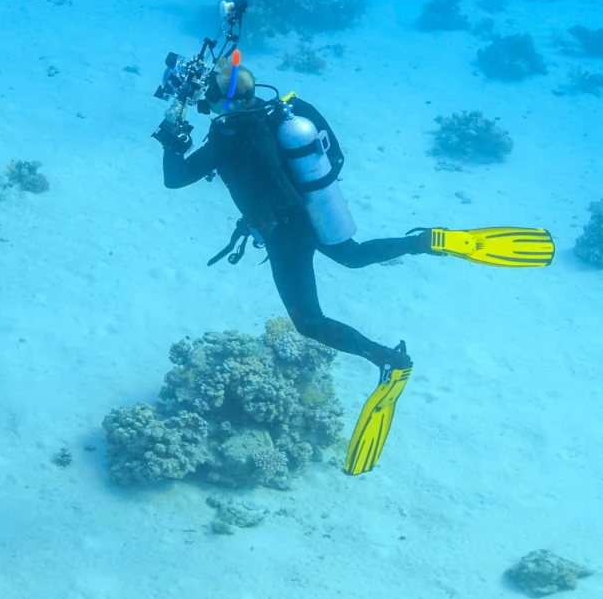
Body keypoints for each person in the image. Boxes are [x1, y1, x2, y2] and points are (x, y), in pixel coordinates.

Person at [154, 55, 552, 474]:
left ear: (218, 100)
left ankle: (387, 360)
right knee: (354, 255)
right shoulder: (280, 114)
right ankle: (424, 241)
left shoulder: (225, 138)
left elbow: (175, 178)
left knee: (308, 321)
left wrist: (170, 139)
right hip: (312, 212)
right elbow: (333, 159)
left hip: (284, 233)